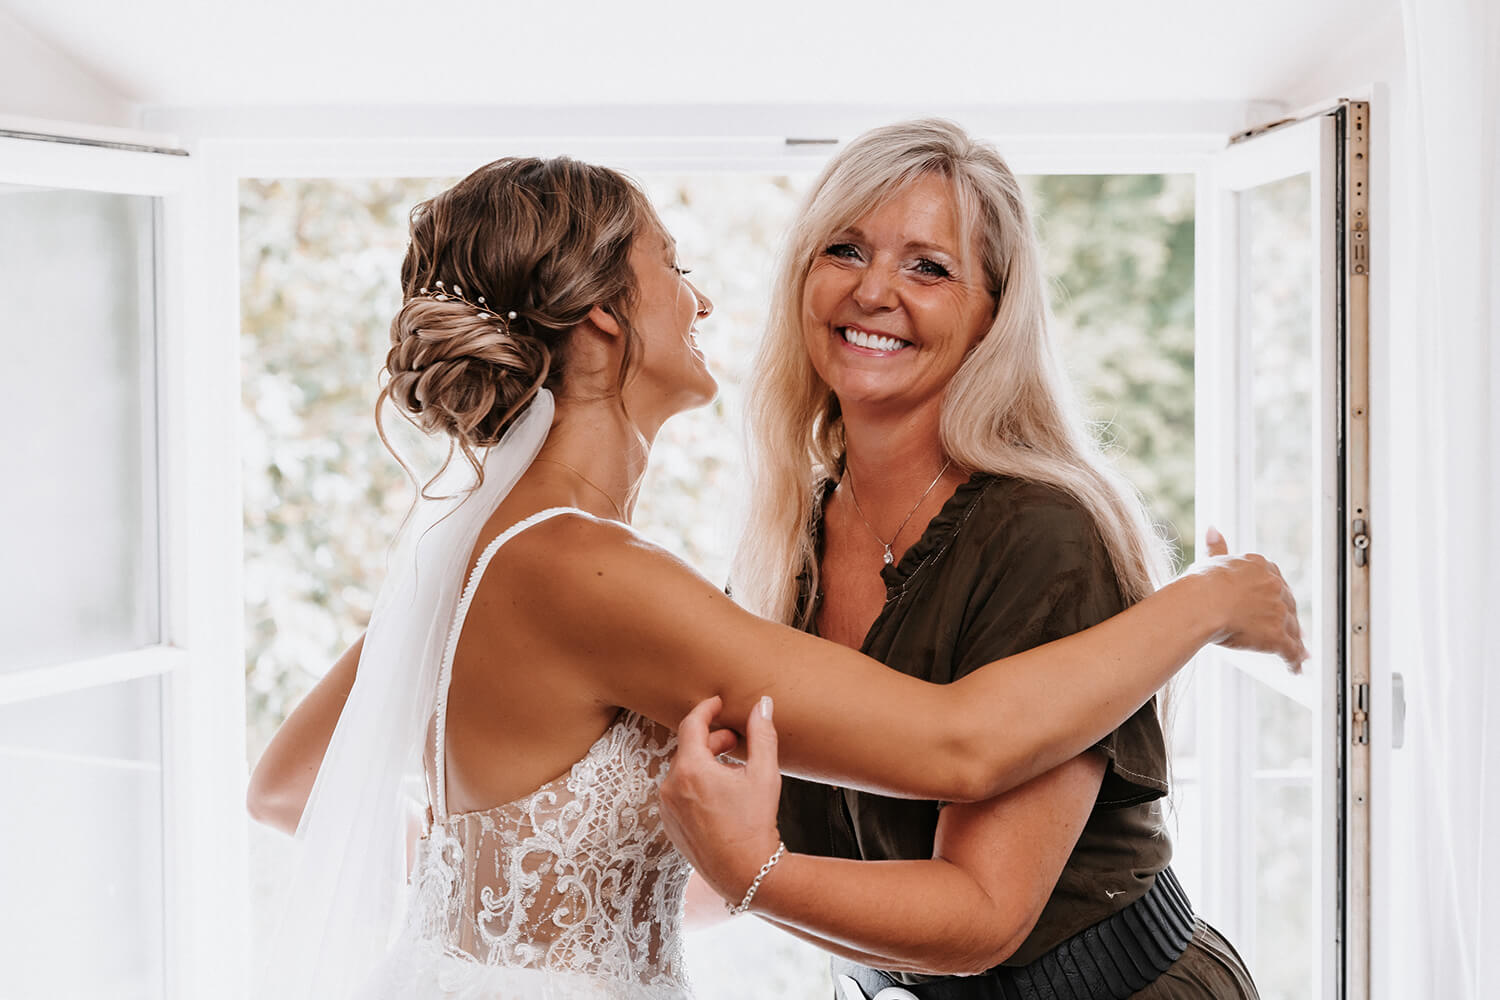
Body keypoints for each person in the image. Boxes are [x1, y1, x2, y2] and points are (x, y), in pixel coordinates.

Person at [249, 154, 1303, 1000]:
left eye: (930, 266)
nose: (702, 301)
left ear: (994, 313)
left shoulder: (487, 553)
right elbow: (954, 741)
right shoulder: (602, 573)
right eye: (675, 265)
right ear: (609, 313)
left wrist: (507, 887)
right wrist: (1209, 603)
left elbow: (287, 782)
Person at [661, 119, 1261, 999]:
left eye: (928, 267)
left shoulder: (1044, 533)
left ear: (993, 315)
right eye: (845, 249)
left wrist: (755, 871)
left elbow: (981, 916)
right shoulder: (789, 537)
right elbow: (719, 846)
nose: (873, 291)